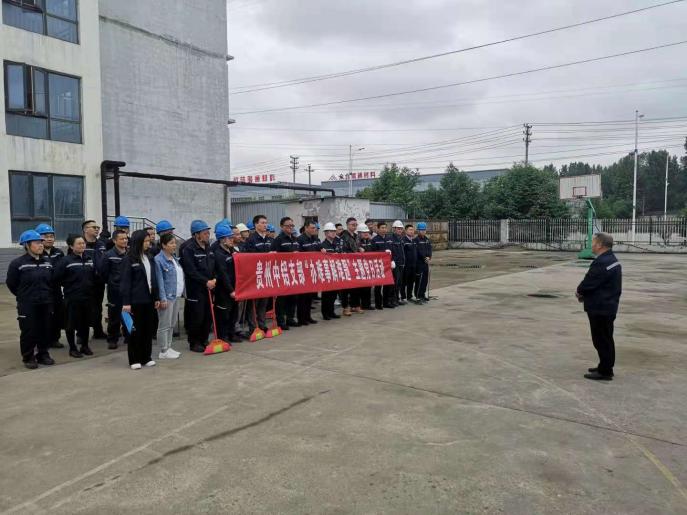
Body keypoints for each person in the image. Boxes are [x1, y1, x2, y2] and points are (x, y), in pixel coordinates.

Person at [576, 233, 622, 381]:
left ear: (600, 245)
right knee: (605, 339)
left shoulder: (601, 262)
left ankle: (605, 371)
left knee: (601, 340)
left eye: (594, 242)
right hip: (607, 305)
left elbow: (589, 282)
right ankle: (604, 365)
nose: (592, 245)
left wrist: (579, 291)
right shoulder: (611, 259)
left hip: (600, 307)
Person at [6, 230, 55, 369]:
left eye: (41, 242)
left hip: (45, 302)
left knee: (45, 329)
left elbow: (51, 282)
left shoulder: (47, 262)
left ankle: (43, 354)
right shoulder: (18, 263)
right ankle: (28, 357)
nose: (41, 245)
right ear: (27, 245)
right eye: (37, 243)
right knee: (29, 330)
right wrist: (24, 296)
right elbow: (12, 284)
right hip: (27, 304)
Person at [121, 230, 160, 370]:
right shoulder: (129, 259)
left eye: (149, 241)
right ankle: (134, 359)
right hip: (135, 301)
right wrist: (126, 302)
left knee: (147, 330)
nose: (148, 244)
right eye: (146, 241)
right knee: (134, 331)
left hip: (148, 300)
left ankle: (146, 357)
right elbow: (125, 282)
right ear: (138, 242)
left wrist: (156, 297)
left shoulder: (149, 257)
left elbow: (153, 279)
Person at [54, 234, 96, 358]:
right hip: (72, 298)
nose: (82, 245)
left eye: (83, 243)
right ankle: (72, 348)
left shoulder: (89, 259)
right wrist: (70, 286)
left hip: (87, 297)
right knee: (71, 324)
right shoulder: (65, 261)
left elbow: (93, 276)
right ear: (71, 246)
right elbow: (56, 278)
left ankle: (84, 346)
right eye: (79, 243)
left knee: (85, 323)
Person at [181, 220, 215, 353]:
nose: (208, 235)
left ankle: (204, 339)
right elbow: (191, 271)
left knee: (207, 315)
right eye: (205, 233)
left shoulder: (208, 247)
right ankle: (194, 342)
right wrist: (205, 281)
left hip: (209, 287)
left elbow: (214, 265)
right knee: (197, 316)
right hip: (195, 289)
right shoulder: (189, 249)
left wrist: (214, 279)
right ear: (196, 234)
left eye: (208, 233)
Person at [154, 233, 184, 359]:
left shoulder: (174, 258)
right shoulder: (158, 260)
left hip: (176, 295)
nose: (174, 245)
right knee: (164, 324)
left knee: (171, 324)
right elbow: (159, 281)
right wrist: (162, 298)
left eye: (175, 243)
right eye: (171, 243)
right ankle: (163, 350)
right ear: (163, 245)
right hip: (167, 296)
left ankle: (169, 346)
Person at [36, 223, 65, 348]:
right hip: (42, 290)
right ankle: (43, 340)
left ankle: (55, 339)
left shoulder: (58, 253)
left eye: (51, 236)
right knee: (44, 316)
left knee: (57, 315)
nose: (49, 239)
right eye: (46, 236)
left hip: (56, 289)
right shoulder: (37, 253)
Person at [244, 215, 274, 333]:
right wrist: (266, 256)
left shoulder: (269, 239)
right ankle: (253, 327)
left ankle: (262, 324)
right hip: (255, 276)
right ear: (256, 224)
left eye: (266, 222)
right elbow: (250, 257)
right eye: (262, 222)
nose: (265, 225)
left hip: (266, 275)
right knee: (254, 303)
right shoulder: (251, 239)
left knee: (263, 302)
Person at [100, 230, 129, 349]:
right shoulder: (108, 255)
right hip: (115, 290)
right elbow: (103, 273)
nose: (125, 241)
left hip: (128, 290)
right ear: (114, 240)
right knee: (114, 316)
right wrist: (113, 282)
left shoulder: (130, 254)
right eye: (122, 239)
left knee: (128, 314)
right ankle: (112, 339)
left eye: (126, 238)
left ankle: (128, 336)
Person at [212, 225, 241, 342]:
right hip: (224, 290)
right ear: (223, 239)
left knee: (234, 313)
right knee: (223, 314)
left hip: (235, 287)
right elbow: (223, 274)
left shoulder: (232, 251)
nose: (232, 240)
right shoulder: (218, 254)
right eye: (229, 238)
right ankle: (222, 336)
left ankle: (231, 334)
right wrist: (231, 290)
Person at [271, 216, 300, 329]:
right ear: (282, 227)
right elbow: (273, 256)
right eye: (288, 225)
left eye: (292, 225)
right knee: (281, 299)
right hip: (282, 273)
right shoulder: (278, 240)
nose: (290, 227)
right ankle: (281, 321)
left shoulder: (295, 239)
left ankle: (290, 318)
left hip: (294, 272)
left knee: (293, 297)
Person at [82, 220, 107, 339]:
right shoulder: (80, 243)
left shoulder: (101, 244)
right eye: (94, 227)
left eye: (98, 227)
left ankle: (98, 331)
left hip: (98, 282)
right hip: (85, 282)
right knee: (84, 308)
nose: (97, 229)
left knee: (98, 307)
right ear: (85, 229)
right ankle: (81, 334)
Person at [297, 220, 321, 325]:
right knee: (302, 297)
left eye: (315, 228)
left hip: (313, 270)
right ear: (306, 228)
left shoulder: (316, 239)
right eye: (312, 228)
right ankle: (301, 319)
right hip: (303, 271)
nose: (314, 230)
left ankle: (308, 316)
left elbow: (319, 250)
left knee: (309, 296)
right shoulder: (300, 239)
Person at [340, 217, 363, 316]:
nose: (354, 226)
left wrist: (360, 249)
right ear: (347, 225)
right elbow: (342, 251)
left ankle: (355, 305)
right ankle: (345, 307)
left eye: (355, 225)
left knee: (356, 285)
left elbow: (358, 246)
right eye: (352, 225)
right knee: (346, 287)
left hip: (355, 264)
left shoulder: (357, 236)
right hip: (346, 264)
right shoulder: (343, 236)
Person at [371, 221, 395, 309]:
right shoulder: (374, 240)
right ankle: (378, 304)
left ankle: (386, 302)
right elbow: (373, 253)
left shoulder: (389, 239)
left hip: (388, 265)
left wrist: (392, 261)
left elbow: (393, 251)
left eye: (385, 227)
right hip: (379, 265)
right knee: (378, 285)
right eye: (382, 228)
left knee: (388, 284)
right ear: (378, 229)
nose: (384, 229)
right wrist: (383, 252)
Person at [320, 223, 342, 320]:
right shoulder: (323, 245)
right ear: (326, 233)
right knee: (326, 294)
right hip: (327, 272)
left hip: (335, 271)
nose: (333, 233)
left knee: (333, 294)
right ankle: (325, 313)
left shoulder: (336, 244)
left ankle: (331, 311)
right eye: (331, 231)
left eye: (334, 231)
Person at [357, 224, 375, 310]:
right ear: (359, 233)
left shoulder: (370, 241)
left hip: (369, 267)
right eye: (364, 232)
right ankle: (361, 304)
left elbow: (373, 251)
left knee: (368, 286)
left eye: (367, 232)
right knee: (361, 287)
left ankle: (367, 304)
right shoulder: (357, 242)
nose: (366, 233)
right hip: (360, 267)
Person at [414, 222, 433, 303]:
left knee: (425, 280)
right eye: (421, 230)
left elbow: (430, 249)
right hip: (419, 263)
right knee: (419, 280)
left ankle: (422, 294)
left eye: (424, 230)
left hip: (426, 263)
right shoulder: (416, 240)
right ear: (418, 231)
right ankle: (418, 296)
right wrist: (424, 257)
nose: (423, 231)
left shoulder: (427, 240)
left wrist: (429, 257)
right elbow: (418, 251)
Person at [390, 220, 406, 305]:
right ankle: (393, 299)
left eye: (401, 229)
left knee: (399, 282)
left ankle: (397, 298)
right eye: (398, 229)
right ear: (394, 229)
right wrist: (392, 260)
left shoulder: (401, 239)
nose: (400, 230)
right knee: (395, 282)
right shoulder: (391, 239)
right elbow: (390, 252)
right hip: (395, 264)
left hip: (401, 263)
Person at [403, 224, 418, 303]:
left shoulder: (414, 241)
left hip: (413, 265)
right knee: (404, 282)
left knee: (411, 281)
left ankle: (409, 296)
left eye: (413, 230)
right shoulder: (403, 241)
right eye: (410, 230)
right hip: (406, 265)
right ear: (406, 231)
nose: (412, 231)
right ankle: (403, 297)